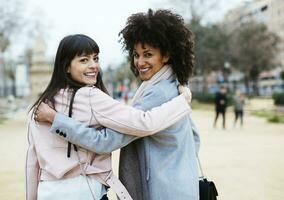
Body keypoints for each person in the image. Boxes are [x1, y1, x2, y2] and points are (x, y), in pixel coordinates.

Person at [36, 9, 200, 200]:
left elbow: (106, 141)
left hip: (162, 190)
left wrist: (57, 119)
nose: (140, 62)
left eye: (148, 54)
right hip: (180, 186)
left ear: (166, 55)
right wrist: (175, 165)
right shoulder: (174, 86)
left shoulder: (158, 92)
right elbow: (194, 138)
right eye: (136, 55)